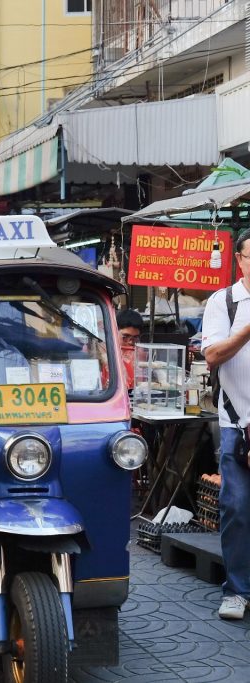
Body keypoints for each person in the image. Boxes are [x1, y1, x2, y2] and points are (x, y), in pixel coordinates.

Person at [201, 228, 250, 620]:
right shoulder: (226, 302)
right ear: (240, 260)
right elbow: (213, 355)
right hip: (239, 425)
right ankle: (236, 590)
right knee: (236, 507)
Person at [116, 309, 142, 391]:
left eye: (135, 338)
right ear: (115, 331)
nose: (130, 342)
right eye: (125, 337)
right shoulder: (104, 352)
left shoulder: (140, 352)